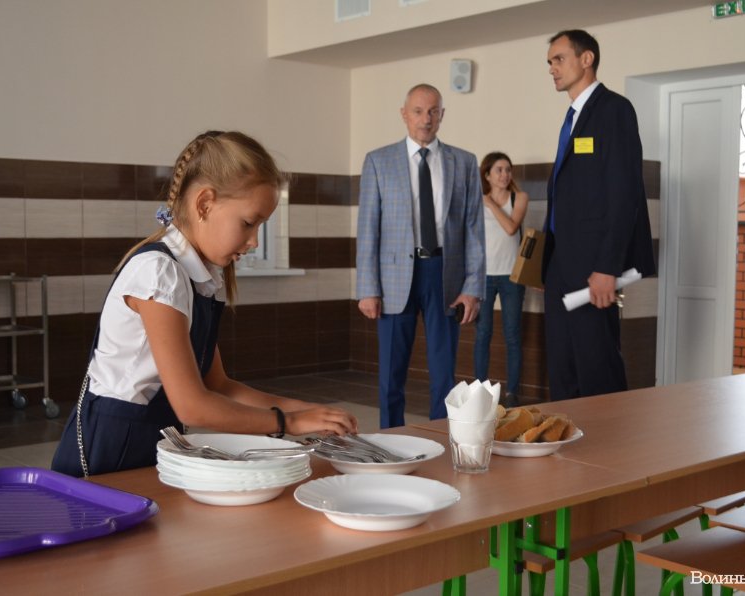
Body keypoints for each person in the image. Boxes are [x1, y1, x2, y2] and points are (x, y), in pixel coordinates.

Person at [52, 131, 358, 477]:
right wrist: (289, 422)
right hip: (107, 452)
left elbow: (220, 385)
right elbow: (192, 406)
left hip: (150, 442)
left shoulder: (198, 278)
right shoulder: (159, 274)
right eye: (248, 223)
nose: (254, 241)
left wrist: (309, 412)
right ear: (204, 204)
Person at [356, 83, 485, 428]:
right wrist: (367, 288)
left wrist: (473, 287)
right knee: (391, 372)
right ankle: (390, 439)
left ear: (442, 115)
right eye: (418, 111)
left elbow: (473, 228)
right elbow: (368, 228)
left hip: (445, 275)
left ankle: (443, 438)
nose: (425, 119)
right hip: (394, 278)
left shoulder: (464, 162)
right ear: (404, 114)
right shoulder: (378, 161)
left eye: (433, 111)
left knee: (444, 372)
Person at [542, 30, 655, 401]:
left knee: (597, 368)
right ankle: (567, 437)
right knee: (563, 368)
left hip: (594, 267)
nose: (552, 68)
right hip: (561, 263)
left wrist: (607, 266)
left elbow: (624, 194)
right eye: (550, 62)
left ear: (586, 58)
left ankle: (611, 439)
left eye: (559, 59)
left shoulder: (613, 110)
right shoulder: (573, 117)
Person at [473, 152, 528, 406]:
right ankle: (480, 391)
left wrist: (491, 204)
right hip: (483, 277)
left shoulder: (519, 197)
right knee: (483, 334)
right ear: (487, 175)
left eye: (508, 169)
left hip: (512, 277)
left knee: (512, 335)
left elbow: (511, 228)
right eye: (499, 170)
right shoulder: (476, 201)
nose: (505, 174)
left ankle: (512, 393)